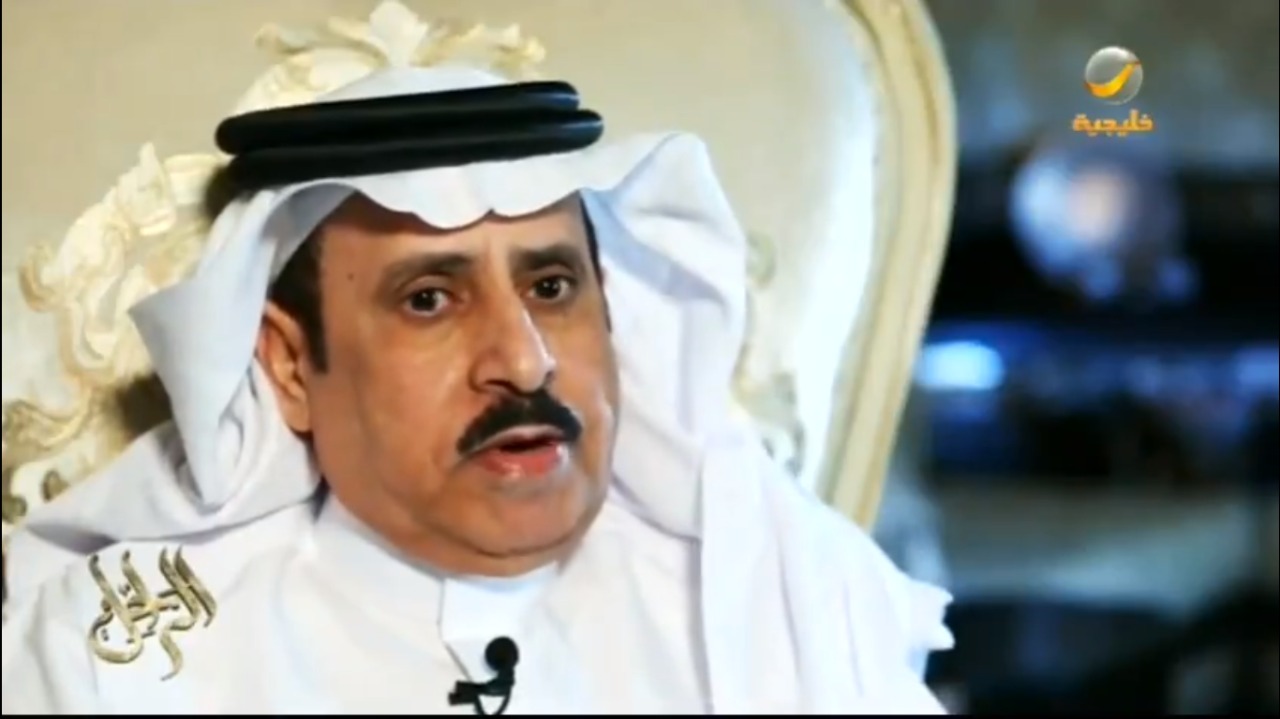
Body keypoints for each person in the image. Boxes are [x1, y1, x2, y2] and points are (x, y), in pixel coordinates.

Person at [1, 65, 953, 714]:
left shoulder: (786, 603)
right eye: (429, 299)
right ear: (290, 367)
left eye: (552, 286)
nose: (525, 362)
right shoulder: (115, 660)